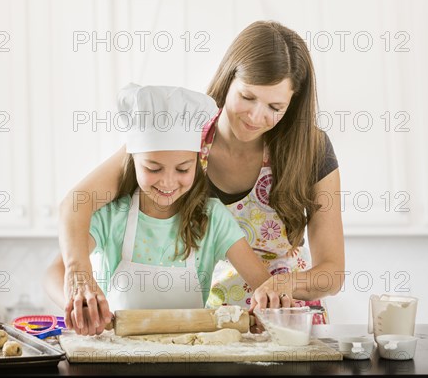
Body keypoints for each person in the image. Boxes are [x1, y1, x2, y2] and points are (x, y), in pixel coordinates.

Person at [45, 20, 345, 334]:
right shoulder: (178, 140)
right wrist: (79, 276)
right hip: (218, 325)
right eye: (247, 97)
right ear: (229, 79)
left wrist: (279, 285)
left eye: (275, 106)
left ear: (292, 104)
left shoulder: (309, 149)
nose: (257, 116)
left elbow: (332, 273)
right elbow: (76, 203)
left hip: (289, 318)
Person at [44, 83, 271, 335]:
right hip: (117, 360)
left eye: (183, 169)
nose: (168, 182)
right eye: (153, 168)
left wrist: (268, 307)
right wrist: (78, 302)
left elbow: (264, 285)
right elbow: (56, 271)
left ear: (197, 162)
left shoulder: (212, 218)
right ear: (133, 161)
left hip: (192, 361)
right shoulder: (111, 217)